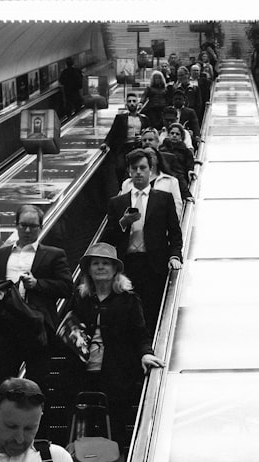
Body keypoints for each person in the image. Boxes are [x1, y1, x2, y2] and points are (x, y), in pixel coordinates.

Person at [68, 244, 164, 446]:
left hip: (118, 373)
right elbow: (72, 327)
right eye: (95, 263)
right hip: (84, 372)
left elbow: (140, 333)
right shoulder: (80, 298)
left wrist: (146, 353)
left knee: (117, 426)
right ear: (89, 270)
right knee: (85, 426)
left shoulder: (128, 299)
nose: (100, 267)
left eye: (105, 263)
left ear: (115, 270)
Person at [0, 205, 71, 393]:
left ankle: (36, 422)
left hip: (37, 327)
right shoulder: (0, 255)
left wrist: (37, 284)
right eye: (23, 225)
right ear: (16, 226)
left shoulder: (54, 254)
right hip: (4, 327)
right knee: (4, 386)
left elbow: (66, 288)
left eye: (33, 226)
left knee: (37, 387)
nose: (28, 230)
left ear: (41, 227)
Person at [101, 149, 182, 332]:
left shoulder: (163, 199)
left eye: (142, 168)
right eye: (134, 168)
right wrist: (123, 223)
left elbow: (175, 233)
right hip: (126, 265)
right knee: (127, 314)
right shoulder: (117, 202)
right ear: (129, 171)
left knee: (152, 311)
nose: (138, 172)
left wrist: (175, 256)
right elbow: (108, 239)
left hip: (154, 264)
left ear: (150, 169)